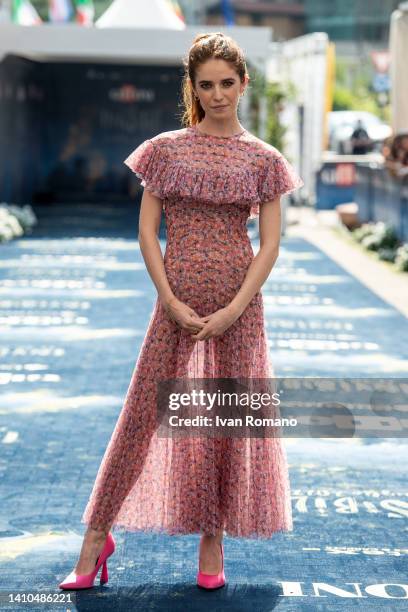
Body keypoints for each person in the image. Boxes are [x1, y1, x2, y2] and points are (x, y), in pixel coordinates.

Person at [58, 31, 304, 591]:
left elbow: (269, 244)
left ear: (243, 84)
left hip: (239, 309)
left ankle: (212, 540)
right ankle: (96, 539)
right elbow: (147, 233)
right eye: (206, 85)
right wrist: (169, 298)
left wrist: (235, 309)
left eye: (226, 83)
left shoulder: (264, 160)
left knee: (221, 423)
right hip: (174, 303)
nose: (217, 94)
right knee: (141, 416)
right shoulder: (165, 149)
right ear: (192, 88)